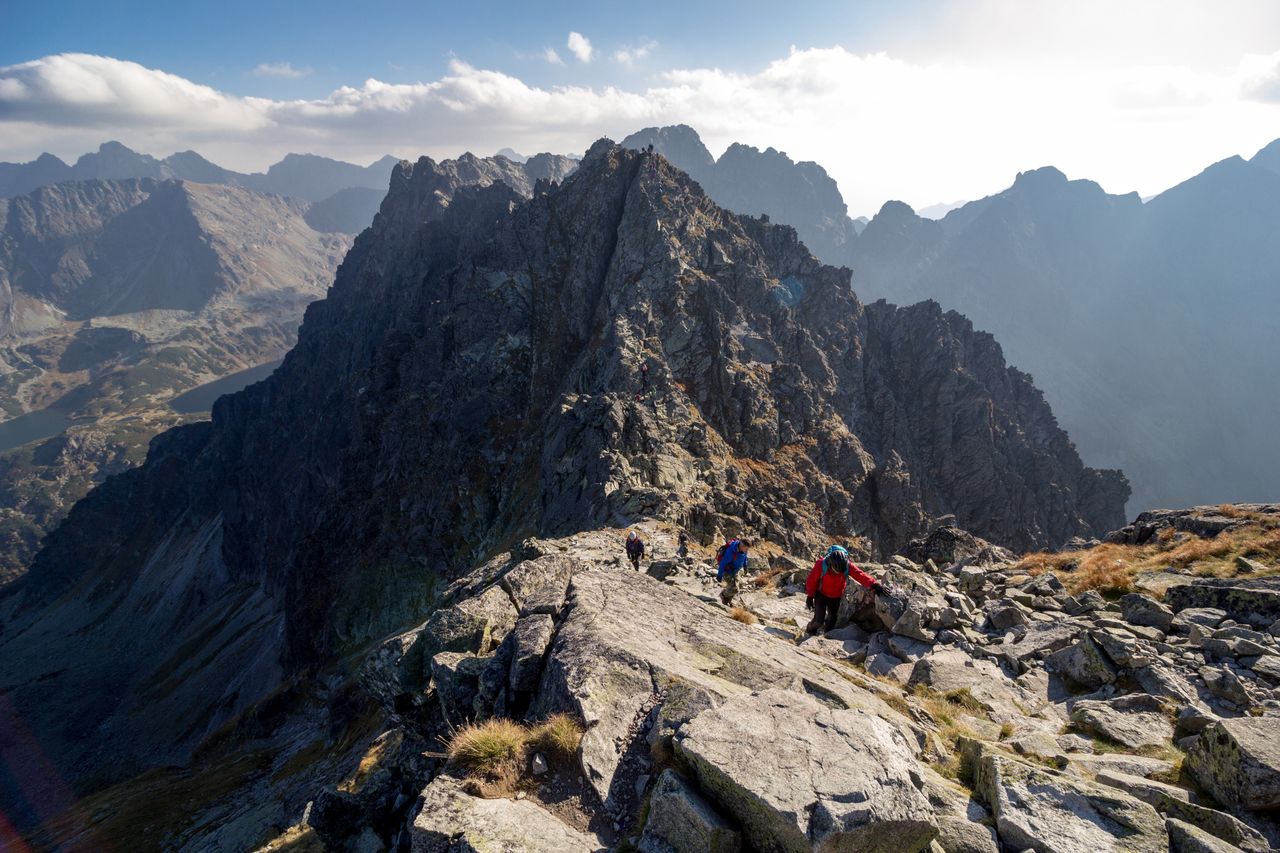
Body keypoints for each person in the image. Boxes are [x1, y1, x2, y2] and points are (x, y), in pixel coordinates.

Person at [804, 545, 887, 635]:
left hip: (836, 596)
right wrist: (810, 596)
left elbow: (860, 575)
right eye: (836, 570)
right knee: (818, 621)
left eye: (840, 571)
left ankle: (827, 634)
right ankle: (810, 630)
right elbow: (811, 581)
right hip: (821, 595)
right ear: (830, 564)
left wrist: (874, 584)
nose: (838, 573)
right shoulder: (821, 564)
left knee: (832, 620)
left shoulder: (848, 566)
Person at [716, 538, 750, 605]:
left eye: (747, 549)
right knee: (734, 588)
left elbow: (744, 557)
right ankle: (723, 595)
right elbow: (723, 563)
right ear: (741, 546)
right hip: (727, 570)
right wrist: (719, 575)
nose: (747, 550)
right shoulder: (730, 552)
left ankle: (727, 600)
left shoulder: (744, 550)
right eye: (746, 548)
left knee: (738, 585)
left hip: (735, 570)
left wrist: (745, 566)